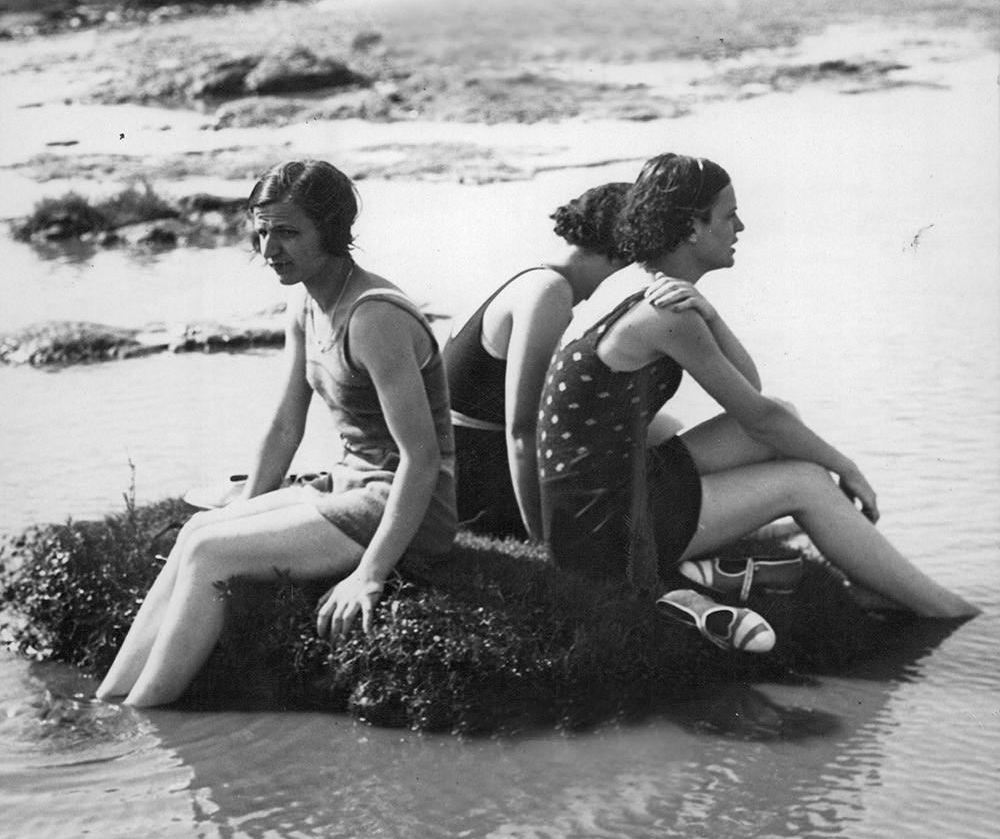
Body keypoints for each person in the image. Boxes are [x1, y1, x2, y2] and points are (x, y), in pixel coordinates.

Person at [538, 153, 978, 646]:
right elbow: (757, 418)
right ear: (692, 227)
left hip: (611, 490)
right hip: (606, 531)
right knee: (805, 480)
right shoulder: (664, 316)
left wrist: (712, 315)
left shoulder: (659, 299)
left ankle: (876, 580)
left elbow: (751, 388)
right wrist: (846, 466)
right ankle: (945, 611)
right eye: (729, 216)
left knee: (785, 417)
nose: (740, 227)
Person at [96, 159, 457, 708]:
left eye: (287, 232)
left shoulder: (374, 319)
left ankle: (143, 716)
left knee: (212, 553)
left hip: (406, 507)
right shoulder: (305, 302)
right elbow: (287, 423)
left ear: (332, 230)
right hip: (348, 486)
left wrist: (370, 573)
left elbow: (422, 458)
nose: (269, 249)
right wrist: (247, 508)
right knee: (200, 530)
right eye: (262, 232)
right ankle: (110, 700)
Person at [444, 183, 637, 541]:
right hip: (475, 480)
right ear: (619, 255)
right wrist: (542, 534)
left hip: (456, 458)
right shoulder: (549, 290)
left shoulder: (528, 271)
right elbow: (523, 428)